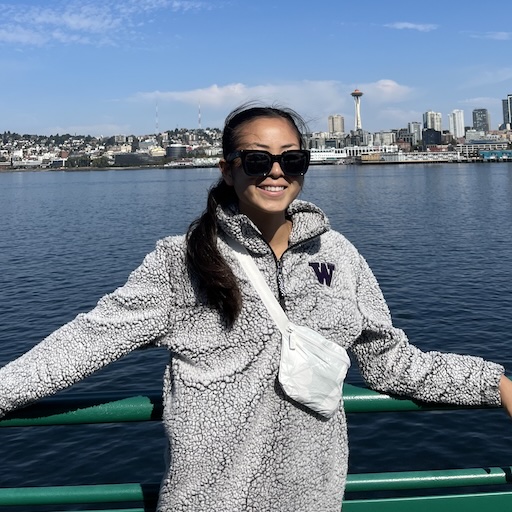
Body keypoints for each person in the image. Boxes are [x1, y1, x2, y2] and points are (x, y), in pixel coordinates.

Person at [1, 102, 511, 512]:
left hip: (314, 497)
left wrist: (496, 384)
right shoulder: (183, 262)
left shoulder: (336, 254)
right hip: (210, 500)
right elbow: (85, 342)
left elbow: (391, 360)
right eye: (256, 159)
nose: (275, 172)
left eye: (291, 159)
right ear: (227, 169)